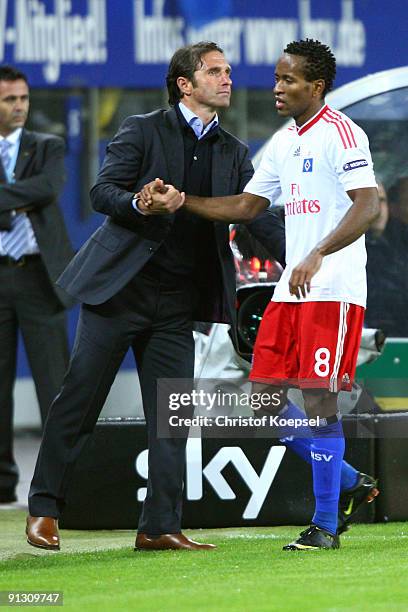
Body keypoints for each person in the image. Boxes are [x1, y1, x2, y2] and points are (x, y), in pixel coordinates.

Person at [25, 41, 286, 551]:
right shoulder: (142, 129)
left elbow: (256, 218)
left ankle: (159, 527)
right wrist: (140, 203)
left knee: (172, 420)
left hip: (179, 304)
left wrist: (311, 254)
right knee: (79, 401)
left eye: (228, 71)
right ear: (186, 84)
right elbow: (104, 192)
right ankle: (43, 509)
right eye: (215, 72)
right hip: (120, 293)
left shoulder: (233, 152)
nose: (227, 79)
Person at [139, 39, 380, 550]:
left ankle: (326, 525)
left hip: (331, 290)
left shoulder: (343, 133)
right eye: (276, 77)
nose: (277, 87)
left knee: (319, 402)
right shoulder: (286, 142)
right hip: (291, 293)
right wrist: (184, 202)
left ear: (315, 86)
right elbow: (249, 206)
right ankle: (349, 482)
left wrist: (317, 253)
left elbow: (366, 205)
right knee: (264, 402)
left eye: (289, 79)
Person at [0, 65, 74, 504]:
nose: (20, 107)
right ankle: (2, 483)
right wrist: (17, 201)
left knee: (55, 387)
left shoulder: (48, 146)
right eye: (10, 100)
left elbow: (48, 188)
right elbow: (33, 193)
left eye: (24, 98)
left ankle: (62, 483)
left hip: (38, 278)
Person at [365, 182, 408, 336]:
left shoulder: (401, 240)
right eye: (370, 200)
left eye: (382, 200)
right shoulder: (345, 249)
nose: (378, 208)